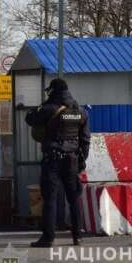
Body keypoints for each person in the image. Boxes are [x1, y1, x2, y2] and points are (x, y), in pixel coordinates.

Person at [26, 78, 90, 247]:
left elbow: (30, 119)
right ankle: (77, 236)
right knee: (74, 198)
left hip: (52, 160)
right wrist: (82, 161)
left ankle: (48, 238)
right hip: (72, 160)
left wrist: (41, 105)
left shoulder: (49, 109)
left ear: (53, 91)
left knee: (50, 198)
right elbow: (85, 139)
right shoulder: (79, 111)